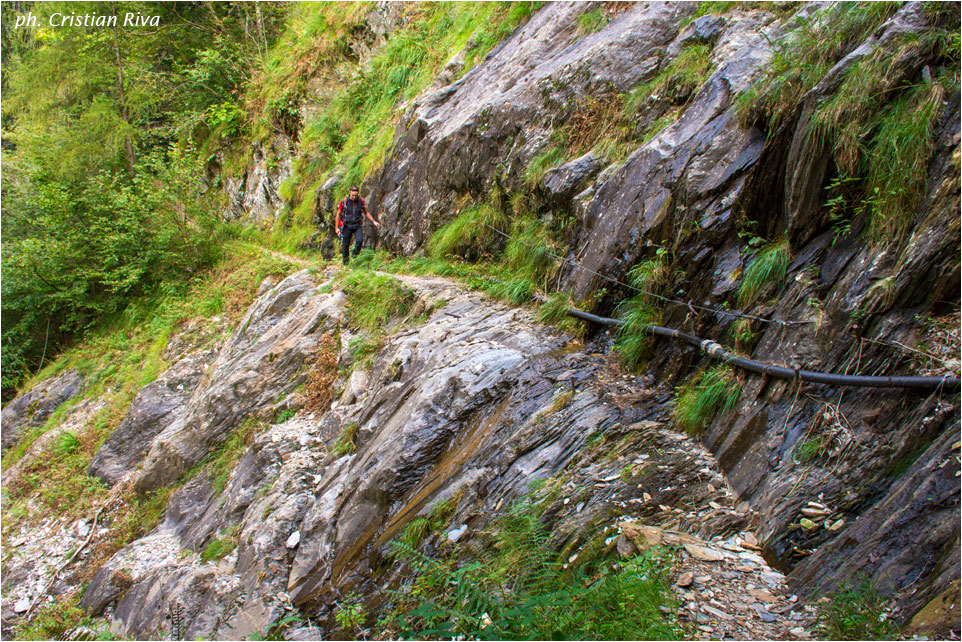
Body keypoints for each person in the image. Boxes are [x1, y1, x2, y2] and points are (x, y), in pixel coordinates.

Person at [335, 186, 380, 265]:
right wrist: (336, 228)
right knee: (345, 245)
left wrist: (373, 221)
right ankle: (346, 263)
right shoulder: (344, 202)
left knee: (359, 241)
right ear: (350, 193)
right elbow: (338, 214)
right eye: (352, 195)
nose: (354, 197)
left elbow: (366, 212)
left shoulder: (361, 201)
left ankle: (355, 257)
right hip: (347, 225)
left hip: (357, 225)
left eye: (356, 195)